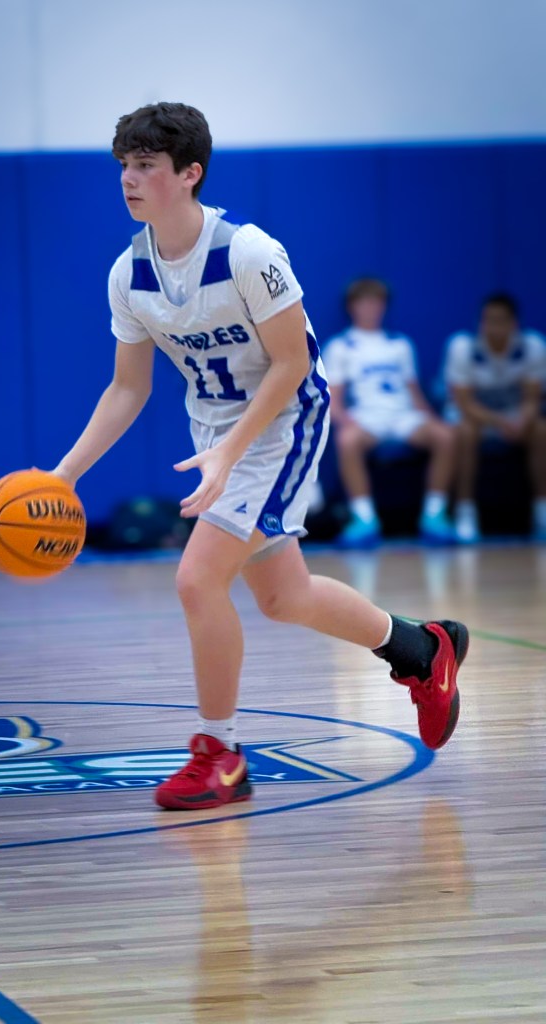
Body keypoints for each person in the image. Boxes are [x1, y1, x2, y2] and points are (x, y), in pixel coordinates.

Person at [52, 103, 468, 810]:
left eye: (146, 164)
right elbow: (127, 388)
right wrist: (61, 478)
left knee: (196, 579)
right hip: (215, 431)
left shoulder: (248, 252)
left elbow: (290, 363)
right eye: (124, 164)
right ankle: (423, 651)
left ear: (190, 173)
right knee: (284, 598)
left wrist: (230, 457)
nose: (129, 177)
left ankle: (220, 754)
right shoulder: (130, 273)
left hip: (284, 418)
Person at [323, 279, 457, 547]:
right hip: (366, 417)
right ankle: (364, 519)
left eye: (377, 302)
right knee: (347, 440)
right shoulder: (341, 346)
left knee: (447, 436)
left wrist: (431, 417)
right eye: (365, 301)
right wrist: (345, 421)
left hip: (403, 416)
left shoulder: (400, 345)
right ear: (352, 307)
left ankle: (434, 516)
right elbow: (333, 400)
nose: (372, 307)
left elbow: (414, 392)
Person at [443, 293, 546, 542]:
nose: (494, 326)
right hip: (477, 417)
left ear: (513, 324)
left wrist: (523, 420)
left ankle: (542, 510)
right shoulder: (462, 347)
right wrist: (501, 422)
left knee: (541, 430)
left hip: (515, 416)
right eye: (488, 320)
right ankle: (465, 510)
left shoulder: (533, 346)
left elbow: (533, 398)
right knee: (465, 432)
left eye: (501, 320)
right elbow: (465, 403)